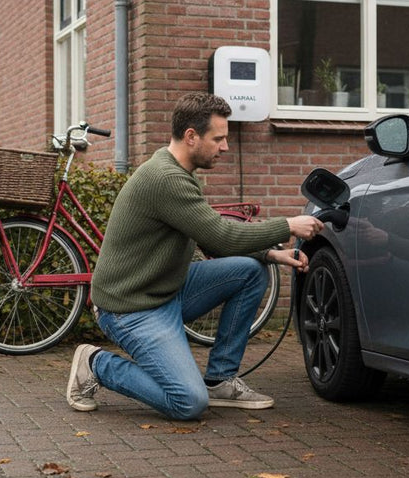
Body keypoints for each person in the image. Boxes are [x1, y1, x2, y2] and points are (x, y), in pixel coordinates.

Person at [65, 93, 324, 420]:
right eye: (218, 138)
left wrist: (272, 254)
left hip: (166, 290)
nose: (225, 147)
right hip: (131, 308)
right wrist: (288, 225)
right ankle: (95, 364)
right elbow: (222, 236)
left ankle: (219, 379)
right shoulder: (166, 179)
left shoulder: (178, 170)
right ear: (191, 136)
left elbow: (212, 242)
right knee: (188, 401)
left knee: (250, 272)